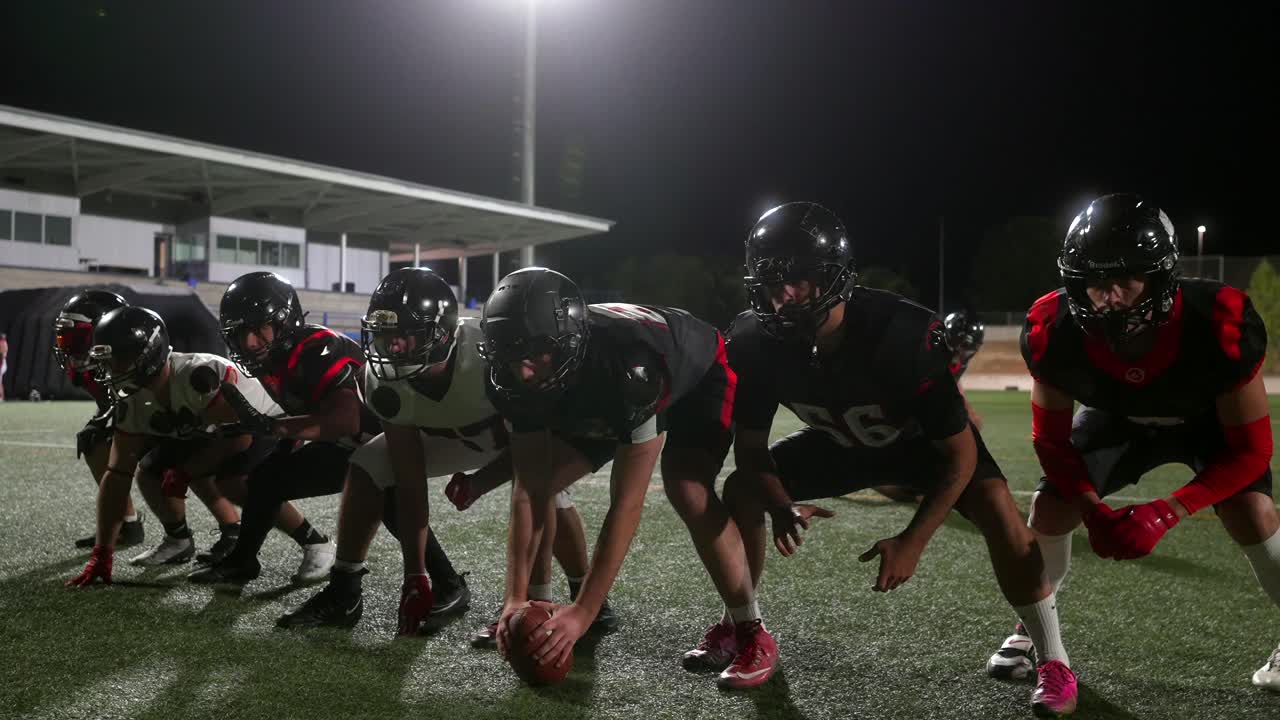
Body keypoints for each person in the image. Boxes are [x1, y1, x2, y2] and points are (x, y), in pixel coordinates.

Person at [720, 202, 1075, 716]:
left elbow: (960, 453)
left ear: (834, 277)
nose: (783, 296)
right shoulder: (755, 339)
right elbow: (750, 447)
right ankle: (746, 630)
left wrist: (914, 539)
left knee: (1000, 509)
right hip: (839, 442)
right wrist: (779, 505)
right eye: (773, 282)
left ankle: (1053, 660)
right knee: (741, 488)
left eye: (798, 279)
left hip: (918, 447)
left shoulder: (901, 333)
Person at [985, 193, 1279, 693]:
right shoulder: (1051, 329)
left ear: (1162, 278)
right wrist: (1093, 510)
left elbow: (1251, 450)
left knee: (1251, 510)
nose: (1111, 296)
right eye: (1096, 281)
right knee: (1050, 507)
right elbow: (1051, 443)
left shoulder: (1219, 320)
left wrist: (1166, 512)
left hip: (1204, 422)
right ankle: (1034, 633)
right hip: (1115, 419)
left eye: (1127, 279)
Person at [480, 267, 775, 689]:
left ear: (569, 343)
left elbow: (627, 503)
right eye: (510, 355)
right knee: (542, 482)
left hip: (695, 376)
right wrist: (515, 599)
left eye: (533, 355)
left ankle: (749, 631)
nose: (522, 372)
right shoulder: (518, 372)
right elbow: (528, 490)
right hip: (594, 386)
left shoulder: (631, 370)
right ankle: (539, 600)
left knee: (686, 488)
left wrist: (583, 612)